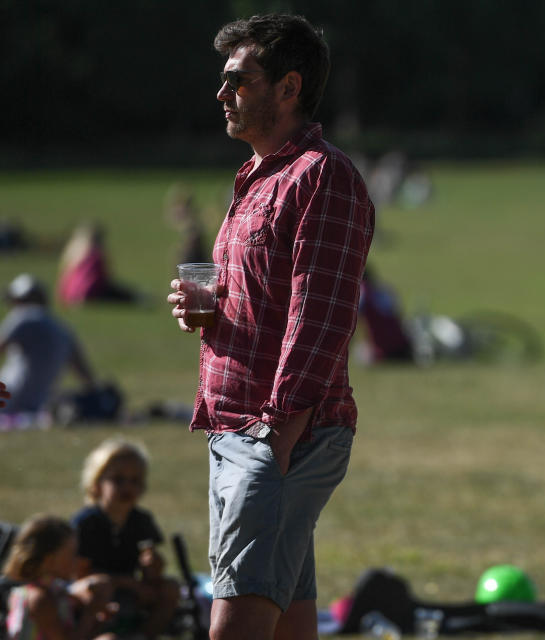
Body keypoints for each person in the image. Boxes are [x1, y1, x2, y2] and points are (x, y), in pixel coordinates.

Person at [166, 14, 374, 640]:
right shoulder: (258, 178)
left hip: (278, 432)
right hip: (238, 428)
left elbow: (322, 318)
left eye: (239, 80)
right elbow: (268, 301)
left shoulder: (322, 177)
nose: (223, 94)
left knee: (236, 624)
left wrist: (275, 441)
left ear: (288, 88)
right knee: (286, 624)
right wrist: (207, 308)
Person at [72, 439, 180, 639]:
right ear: (97, 484)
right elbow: (80, 575)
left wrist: (153, 567)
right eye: (118, 480)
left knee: (170, 588)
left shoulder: (141, 521)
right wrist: (130, 584)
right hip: (93, 593)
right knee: (101, 585)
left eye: (135, 480)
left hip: (129, 592)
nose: (127, 487)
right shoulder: (86, 523)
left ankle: (142, 635)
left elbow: (151, 577)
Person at [3, 514, 117, 640]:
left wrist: (97, 618)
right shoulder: (39, 599)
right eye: (71, 554)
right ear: (49, 561)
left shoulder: (55, 589)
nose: (76, 560)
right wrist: (89, 614)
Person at [0, 274, 96, 418]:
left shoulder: (23, 317)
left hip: (7, 397)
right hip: (40, 404)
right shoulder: (62, 329)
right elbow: (85, 375)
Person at [57, 223, 138, 307]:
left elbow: (64, 276)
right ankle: (140, 298)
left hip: (70, 294)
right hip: (90, 292)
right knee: (122, 293)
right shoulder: (96, 254)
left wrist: (63, 294)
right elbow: (104, 276)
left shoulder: (72, 251)